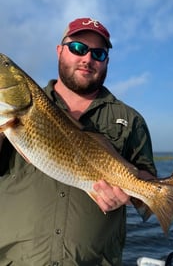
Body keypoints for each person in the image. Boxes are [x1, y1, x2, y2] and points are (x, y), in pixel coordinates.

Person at [0, 17, 157, 266]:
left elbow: (145, 182)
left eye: (98, 53)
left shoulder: (131, 120)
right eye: (78, 48)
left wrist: (134, 194)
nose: (87, 58)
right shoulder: (22, 111)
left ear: (107, 61)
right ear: (59, 50)